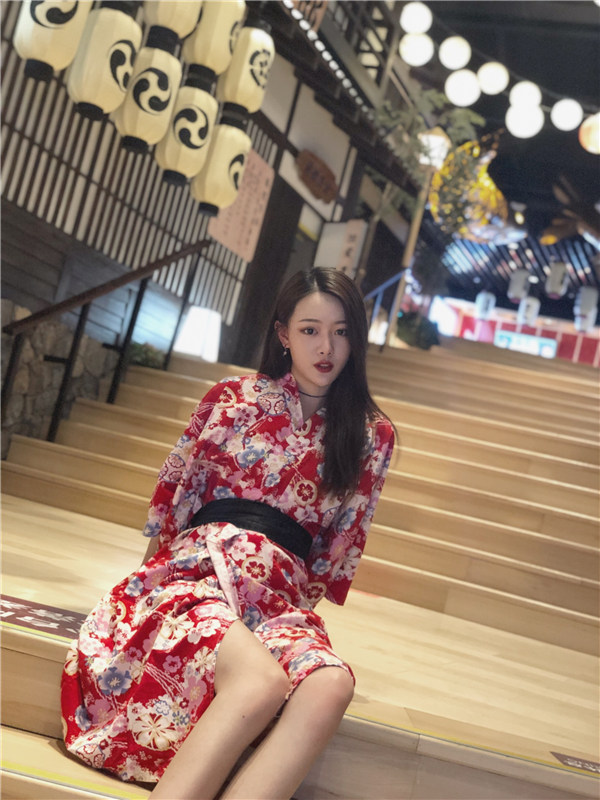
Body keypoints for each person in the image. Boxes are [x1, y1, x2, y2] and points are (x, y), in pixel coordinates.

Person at [61, 267, 395, 799]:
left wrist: (274, 596)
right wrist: (138, 598)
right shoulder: (232, 398)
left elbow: (336, 551)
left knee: (330, 685)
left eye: (341, 331)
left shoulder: (372, 436)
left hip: (278, 600)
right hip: (195, 579)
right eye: (310, 330)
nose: (326, 347)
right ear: (283, 334)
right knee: (261, 682)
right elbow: (174, 500)